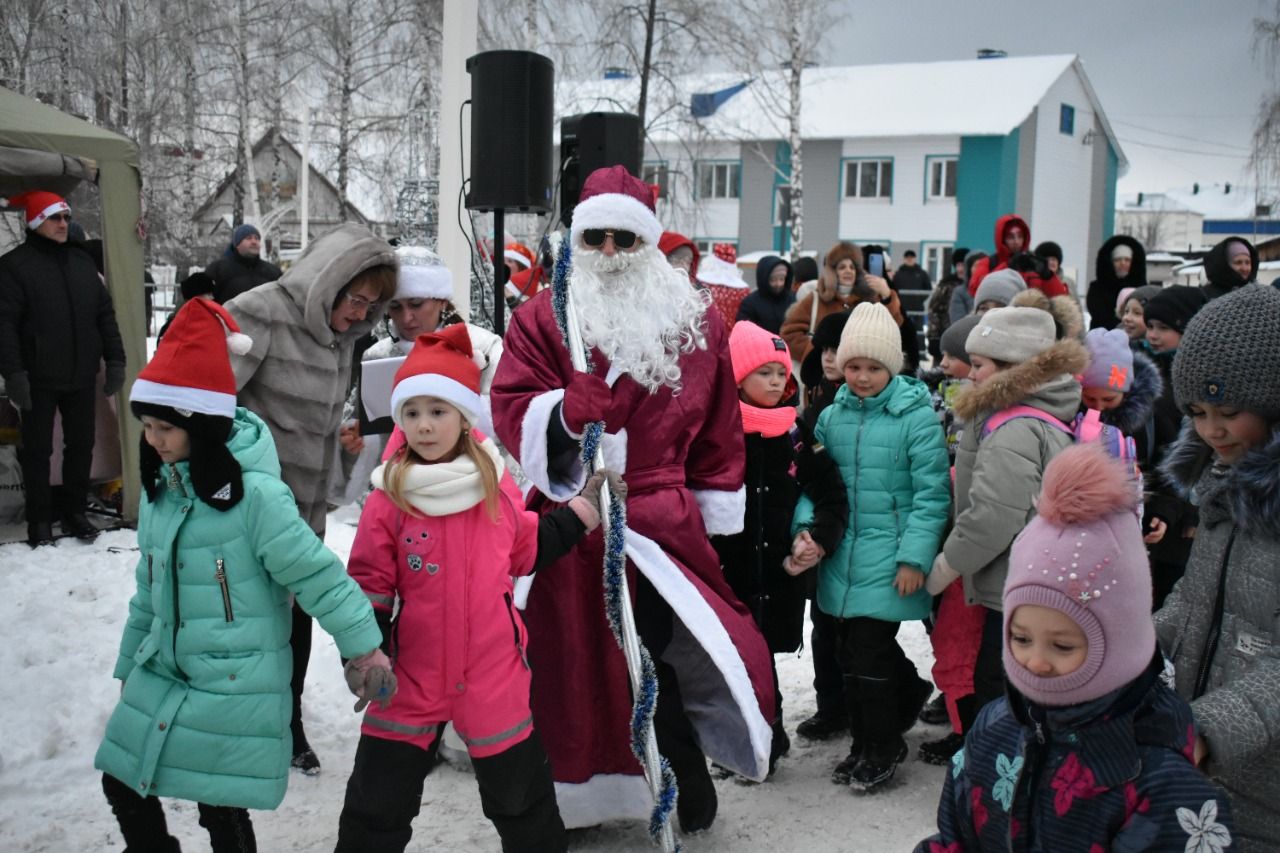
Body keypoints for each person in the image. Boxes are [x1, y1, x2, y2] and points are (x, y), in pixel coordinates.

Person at [489, 165, 775, 833]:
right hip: (568, 521)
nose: (611, 254)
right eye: (596, 240)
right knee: (566, 666)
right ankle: (573, 800)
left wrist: (710, 512)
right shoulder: (540, 318)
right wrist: (559, 413)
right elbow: (509, 407)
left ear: (647, 242)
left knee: (658, 659)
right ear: (577, 241)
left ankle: (685, 795)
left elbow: (719, 427)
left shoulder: (695, 322)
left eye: (625, 238)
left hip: (659, 521)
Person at [95, 298, 388, 853]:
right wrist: (129, 663)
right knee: (120, 778)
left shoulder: (257, 499)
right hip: (164, 668)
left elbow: (318, 576)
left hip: (234, 679)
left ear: (201, 425)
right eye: (148, 427)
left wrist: (364, 650)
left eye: (166, 428)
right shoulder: (164, 494)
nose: (153, 440)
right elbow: (147, 590)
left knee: (219, 806)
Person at [336, 326, 620, 853]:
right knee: (376, 806)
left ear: (464, 417)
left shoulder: (494, 490)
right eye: (413, 412)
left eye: (438, 411)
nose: (424, 425)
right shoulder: (389, 497)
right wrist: (365, 653)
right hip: (409, 677)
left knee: (523, 805)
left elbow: (527, 548)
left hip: (493, 674)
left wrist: (581, 511)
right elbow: (370, 584)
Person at [918, 443, 1235, 852]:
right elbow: (956, 836)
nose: (1035, 661)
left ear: (1121, 641)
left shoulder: (1157, 780)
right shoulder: (995, 726)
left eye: (1063, 645)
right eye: (1021, 638)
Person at [224, 222, 397, 775]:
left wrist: (343, 448)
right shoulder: (260, 311)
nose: (360, 315)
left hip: (304, 515)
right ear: (328, 282)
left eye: (373, 306)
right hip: (246, 510)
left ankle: (288, 724)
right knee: (244, 626)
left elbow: (317, 431)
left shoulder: (340, 339)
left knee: (295, 627)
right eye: (355, 300)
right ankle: (236, 730)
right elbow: (203, 404)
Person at [791, 302, 950, 791]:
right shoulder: (830, 416)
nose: (860, 377)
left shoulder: (916, 418)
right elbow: (808, 481)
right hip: (840, 552)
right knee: (848, 651)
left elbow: (932, 496)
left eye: (873, 368)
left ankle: (883, 743)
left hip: (889, 554)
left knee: (869, 650)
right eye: (854, 366)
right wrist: (806, 531)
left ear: (893, 366)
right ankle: (867, 738)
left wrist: (914, 558)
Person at [1156, 285, 1280, 850]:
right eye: (1198, 413)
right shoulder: (1222, 485)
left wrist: (1212, 726)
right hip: (1205, 773)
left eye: (1230, 412)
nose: (1212, 431)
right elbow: (1194, 598)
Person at [928, 307, 1088, 719]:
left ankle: (997, 772)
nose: (972, 374)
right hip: (1035, 575)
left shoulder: (1013, 427)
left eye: (979, 365)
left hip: (1011, 580)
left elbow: (993, 516)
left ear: (1011, 367)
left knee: (996, 692)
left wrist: (950, 564)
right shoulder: (1047, 410)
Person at [715, 321, 847, 776]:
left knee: (761, 655)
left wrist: (820, 538)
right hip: (727, 569)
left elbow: (832, 494)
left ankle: (767, 740)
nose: (776, 382)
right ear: (736, 375)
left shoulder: (796, 433)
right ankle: (747, 738)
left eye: (780, 373)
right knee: (731, 658)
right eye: (763, 373)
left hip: (778, 572)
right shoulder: (718, 431)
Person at [0, 190, 126, 546]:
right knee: (38, 451)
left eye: (66, 217)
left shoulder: (82, 263)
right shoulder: (14, 267)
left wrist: (116, 360)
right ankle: (40, 519)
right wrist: (14, 374)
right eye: (55, 217)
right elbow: (4, 326)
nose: (63, 224)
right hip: (38, 377)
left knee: (81, 445)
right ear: (37, 221)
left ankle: (74, 512)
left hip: (82, 374)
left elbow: (105, 316)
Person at [336, 245, 503, 504]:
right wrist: (354, 441)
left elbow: (504, 427)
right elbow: (365, 429)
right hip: (399, 492)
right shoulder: (378, 356)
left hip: (468, 490)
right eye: (395, 307)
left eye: (416, 304)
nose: (406, 317)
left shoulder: (483, 348)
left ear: (441, 300)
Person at [794, 310, 854, 743]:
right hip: (824, 523)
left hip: (851, 522)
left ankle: (854, 704)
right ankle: (831, 704)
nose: (831, 358)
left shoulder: (850, 397)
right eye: (827, 349)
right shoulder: (815, 396)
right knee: (823, 621)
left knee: (853, 628)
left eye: (840, 349)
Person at [780, 241, 902, 365]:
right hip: (824, 375)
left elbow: (890, 328)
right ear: (833, 272)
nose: (848, 271)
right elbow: (789, 334)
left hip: (857, 372)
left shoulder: (868, 299)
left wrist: (886, 295)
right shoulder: (816, 298)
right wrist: (818, 354)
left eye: (852, 267)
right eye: (842, 267)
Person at [205, 223, 283, 305]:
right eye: (248, 238)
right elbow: (204, 302)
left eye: (257, 238)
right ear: (237, 244)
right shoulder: (218, 269)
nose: (254, 242)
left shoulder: (272, 271)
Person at [1086, 235, 1147, 330]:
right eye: (1117, 260)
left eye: (1127, 260)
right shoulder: (1097, 288)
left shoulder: (1142, 288)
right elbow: (1100, 315)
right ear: (1110, 262)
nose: (1122, 263)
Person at [966, 213, 1030, 295]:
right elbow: (974, 289)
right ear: (1002, 239)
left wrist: (1047, 276)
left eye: (1020, 236)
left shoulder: (1030, 262)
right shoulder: (988, 262)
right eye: (1010, 237)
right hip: (998, 306)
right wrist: (1005, 267)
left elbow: (1048, 295)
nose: (1016, 242)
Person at [925, 248, 967, 362]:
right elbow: (933, 311)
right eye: (958, 265)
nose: (960, 269)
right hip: (944, 338)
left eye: (963, 265)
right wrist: (933, 337)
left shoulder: (973, 286)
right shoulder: (946, 285)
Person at [736, 254, 795, 334]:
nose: (778, 284)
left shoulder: (792, 299)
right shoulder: (750, 304)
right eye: (773, 280)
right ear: (764, 280)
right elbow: (743, 332)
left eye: (782, 279)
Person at [1202, 236, 1258, 301]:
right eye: (1238, 262)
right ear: (1225, 264)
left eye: (1248, 262)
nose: (1244, 268)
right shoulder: (1206, 296)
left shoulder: (1257, 293)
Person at [1117, 283, 1162, 347]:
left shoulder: (1165, 353)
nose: (1126, 318)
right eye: (1126, 311)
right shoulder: (1116, 344)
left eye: (1137, 313)